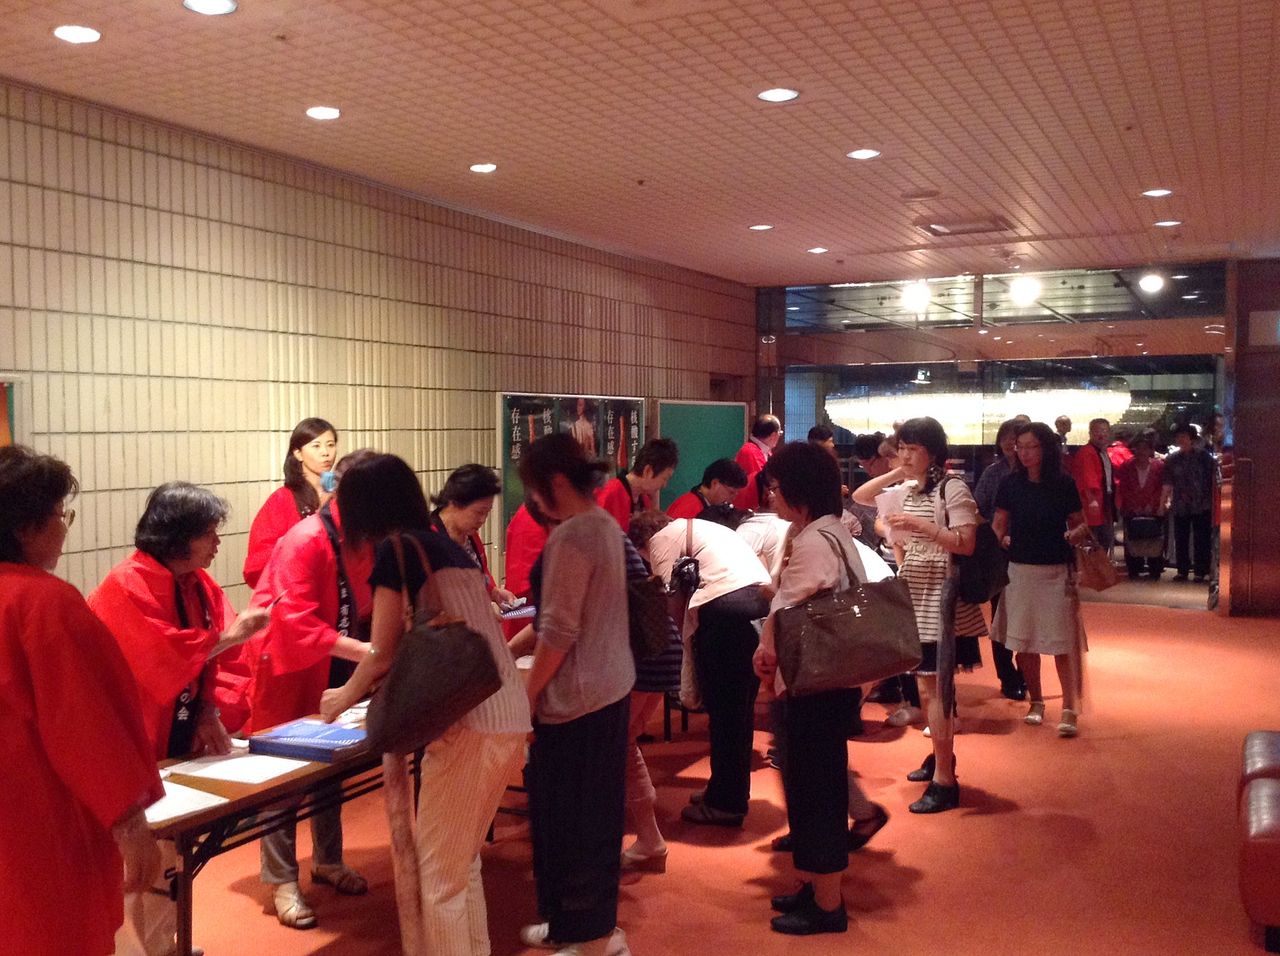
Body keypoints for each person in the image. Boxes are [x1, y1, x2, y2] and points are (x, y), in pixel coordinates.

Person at [319, 454, 530, 956]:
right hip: (507, 711)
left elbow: (382, 652)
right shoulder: (447, 547)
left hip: (466, 719)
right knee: (462, 863)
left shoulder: (396, 551)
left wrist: (341, 697)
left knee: (438, 877)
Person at [88, 481, 267, 956]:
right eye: (209, 532)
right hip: (130, 740)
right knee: (134, 863)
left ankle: (166, 944)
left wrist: (208, 708)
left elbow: (216, 661)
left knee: (169, 858)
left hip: (179, 733)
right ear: (178, 535)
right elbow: (159, 657)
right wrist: (233, 636)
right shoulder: (125, 584)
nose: (218, 542)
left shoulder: (200, 583)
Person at [0, 446, 164, 956]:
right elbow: (84, 726)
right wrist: (130, 823)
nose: (64, 527)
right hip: (39, 825)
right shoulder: (42, 603)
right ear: (26, 527)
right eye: (59, 515)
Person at [751, 441, 890, 936]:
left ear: (798, 491)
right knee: (816, 786)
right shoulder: (830, 531)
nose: (770, 496)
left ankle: (828, 905)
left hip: (814, 685)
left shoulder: (813, 541)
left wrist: (765, 653)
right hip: (832, 681)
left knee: (817, 792)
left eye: (775, 487)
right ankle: (814, 886)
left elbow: (786, 608)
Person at [245, 451, 377, 930]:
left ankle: (328, 860)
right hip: (288, 663)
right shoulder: (304, 538)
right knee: (282, 776)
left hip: (334, 657)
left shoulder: (362, 536)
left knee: (330, 767)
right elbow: (292, 619)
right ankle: (282, 880)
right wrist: (367, 651)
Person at [515, 434, 634, 956]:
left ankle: (591, 939)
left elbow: (559, 631)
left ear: (556, 483)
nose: (533, 499)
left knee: (575, 824)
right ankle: (576, 927)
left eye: (534, 488)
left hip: (579, 701)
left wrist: (527, 694)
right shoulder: (603, 523)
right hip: (609, 689)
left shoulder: (572, 535)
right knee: (591, 820)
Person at [853, 417, 984, 813]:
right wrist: (900, 471)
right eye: (902, 448)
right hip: (915, 590)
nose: (905, 456)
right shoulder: (910, 487)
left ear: (934, 452)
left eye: (913, 449)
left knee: (936, 689)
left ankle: (945, 779)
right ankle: (941, 760)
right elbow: (861, 495)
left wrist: (916, 524)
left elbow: (965, 543)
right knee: (928, 689)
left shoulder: (952, 488)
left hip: (941, 595)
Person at [630, 511, 771, 828]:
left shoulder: (661, 540)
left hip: (724, 611)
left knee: (725, 715)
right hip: (755, 605)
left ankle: (726, 804)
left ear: (641, 544)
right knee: (738, 712)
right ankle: (724, 790)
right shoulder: (702, 529)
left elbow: (667, 603)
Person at [991, 422, 1091, 738]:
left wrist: (1075, 535)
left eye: (1031, 446)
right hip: (1019, 570)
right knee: (1024, 643)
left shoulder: (1063, 483)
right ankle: (1036, 700)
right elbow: (998, 525)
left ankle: (1069, 706)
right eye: (1019, 447)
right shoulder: (1010, 483)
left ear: (1045, 448)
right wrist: (995, 546)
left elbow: (1080, 523)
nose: (1024, 453)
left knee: (1061, 643)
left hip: (1056, 570)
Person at [243, 418, 339, 588]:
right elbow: (256, 565)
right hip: (298, 590)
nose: (325, 452)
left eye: (330, 445)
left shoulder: (339, 495)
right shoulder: (282, 499)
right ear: (298, 453)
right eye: (316, 446)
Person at [973, 418, 1027, 700]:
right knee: (1001, 615)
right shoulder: (993, 473)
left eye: (1015, 437)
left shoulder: (1035, 473)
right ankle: (1007, 675)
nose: (1009, 442)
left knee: (1027, 616)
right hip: (999, 553)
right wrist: (998, 535)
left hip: (1030, 553)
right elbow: (977, 509)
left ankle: (1026, 670)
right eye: (1005, 436)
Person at [430, 462, 519, 605]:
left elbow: (481, 574)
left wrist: (493, 591)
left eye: (487, 513)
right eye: (478, 512)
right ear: (454, 503)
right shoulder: (428, 539)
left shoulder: (470, 535)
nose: (482, 520)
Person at [1162, 423, 1217, 583]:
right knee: (1181, 538)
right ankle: (1182, 570)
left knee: (1201, 538)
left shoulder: (1204, 457)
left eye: (1184, 436)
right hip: (1180, 504)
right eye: (1179, 437)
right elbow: (1168, 482)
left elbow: (1211, 480)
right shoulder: (1172, 459)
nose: (1181, 439)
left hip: (1202, 503)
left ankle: (1201, 570)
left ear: (1192, 438)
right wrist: (1163, 502)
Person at [596, 436, 679, 531]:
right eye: (665, 478)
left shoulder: (645, 501)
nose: (664, 485)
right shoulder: (609, 493)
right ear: (648, 471)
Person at [1115, 431, 1167, 580]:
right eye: (1139, 448)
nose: (1142, 452)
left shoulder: (1159, 466)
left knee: (1155, 539)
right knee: (1132, 539)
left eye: (1145, 448)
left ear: (1151, 450)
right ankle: (1134, 568)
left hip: (1154, 509)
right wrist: (1134, 506)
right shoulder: (1126, 466)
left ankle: (1155, 569)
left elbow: (1162, 487)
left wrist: (1154, 505)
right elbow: (1124, 488)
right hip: (1131, 509)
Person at [1072, 417, 1117, 551]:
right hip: (1092, 503)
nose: (1101, 434)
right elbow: (1087, 478)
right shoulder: (1087, 452)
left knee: (1103, 540)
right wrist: (1092, 500)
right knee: (1095, 541)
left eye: (1104, 431)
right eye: (1097, 431)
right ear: (1090, 433)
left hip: (1103, 502)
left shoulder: (1102, 452)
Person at [666, 458, 748, 519]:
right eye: (731, 492)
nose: (733, 498)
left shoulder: (706, 504)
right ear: (715, 483)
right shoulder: (689, 509)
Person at [732, 414, 783, 511]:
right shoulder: (749, 451)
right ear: (773, 435)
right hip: (748, 507)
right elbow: (762, 483)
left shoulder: (765, 451)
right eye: (780, 433)